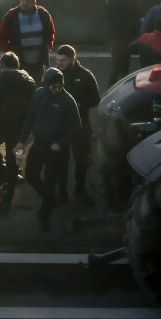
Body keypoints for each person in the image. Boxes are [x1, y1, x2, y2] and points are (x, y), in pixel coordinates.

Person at [16, 67, 82, 231]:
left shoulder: (68, 100)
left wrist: (60, 142)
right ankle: (50, 197)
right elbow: (29, 117)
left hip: (57, 147)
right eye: (53, 87)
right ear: (46, 84)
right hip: (40, 143)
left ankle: (44, 214)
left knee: (51, 179)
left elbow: (76, 127)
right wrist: (21, 142)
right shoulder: (38, 94)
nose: (57, 89)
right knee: (31, 174)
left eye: (59, 86)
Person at [0, 52, 35, 209]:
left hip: (0, 125)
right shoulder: (29, 81)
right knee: (14, 161)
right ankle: (8, 195)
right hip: (19, 127)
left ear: (3, 65)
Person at [53, 45, 100, 205]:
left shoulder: (86, 75)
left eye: (63, 60)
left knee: (82, 160)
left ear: (73, 59)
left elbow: (96, 99)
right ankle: (61, 191)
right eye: (57, 59)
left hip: (80, 125)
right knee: (60, 161)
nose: (59, 63)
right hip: (60, 127)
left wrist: (81, 105)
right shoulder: (54, 75)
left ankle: (80, 188)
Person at [0, 0, 55, 82]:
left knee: (37, 85)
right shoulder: (12, 16)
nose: (24, 3)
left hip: (38, 62)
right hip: (19, 62)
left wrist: (47, 49)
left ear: (34, 2)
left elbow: (51, 34)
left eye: (27, 1)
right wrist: (11, 54)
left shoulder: (43, 14)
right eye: (22, 0)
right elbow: (1, 37)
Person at [104, 0, 141, 89]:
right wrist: (137, 22)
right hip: (119, 37)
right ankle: (110, 91)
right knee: (118, 65)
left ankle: (120, 90)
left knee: (124, 64)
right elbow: (118, 21)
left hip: (124, 36)